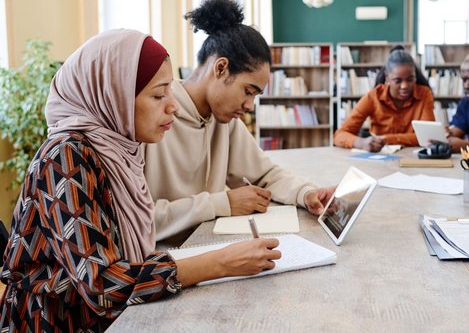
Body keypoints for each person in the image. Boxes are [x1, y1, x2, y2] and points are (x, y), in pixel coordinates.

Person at [0, 29, 281, 332]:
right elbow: (102, 285)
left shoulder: (119, 150)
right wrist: (218, 263)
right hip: (58, 323)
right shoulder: (64, 159)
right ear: (114, 95)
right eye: (159, 95)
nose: (172, 105)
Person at [143, 0, 336, 243]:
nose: (249, 106)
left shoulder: (225, 122)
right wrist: (221, 203)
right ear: (221, 68)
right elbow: (136, 218)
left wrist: (306, 192)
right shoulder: (151, 118)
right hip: (163, 257)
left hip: (207, 246)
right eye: (248, 91)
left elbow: (266, 175)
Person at [333, 49, 435, 152]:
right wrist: (361, 143)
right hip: (380, 158)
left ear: (415, 76)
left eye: (410, 79)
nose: (405, 86)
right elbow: (339, 135)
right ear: (387, 77)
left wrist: (386, 139)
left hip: (414, 159)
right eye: (398, 81)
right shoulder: (373, 97)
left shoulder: (424, 94)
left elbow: (428, 137)